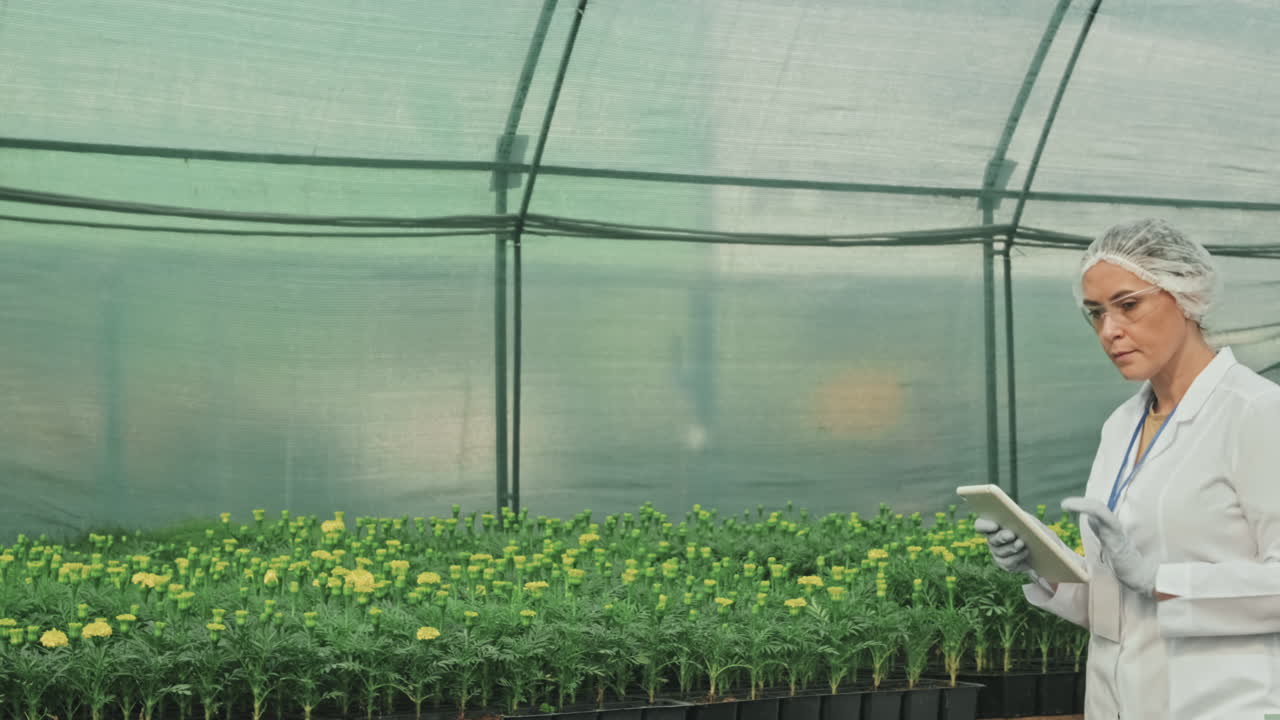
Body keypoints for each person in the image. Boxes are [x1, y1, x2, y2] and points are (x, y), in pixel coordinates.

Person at [976, 219, 1280, 719]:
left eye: (1128, 305)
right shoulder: (1121, 426)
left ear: (1186, 294)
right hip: (1116, 700)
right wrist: (1043, 567)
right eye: (1095, 314)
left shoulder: (1254, 412)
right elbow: (1118, 605)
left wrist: (1160, 579)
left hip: (1225, 702)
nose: (1109, 330)